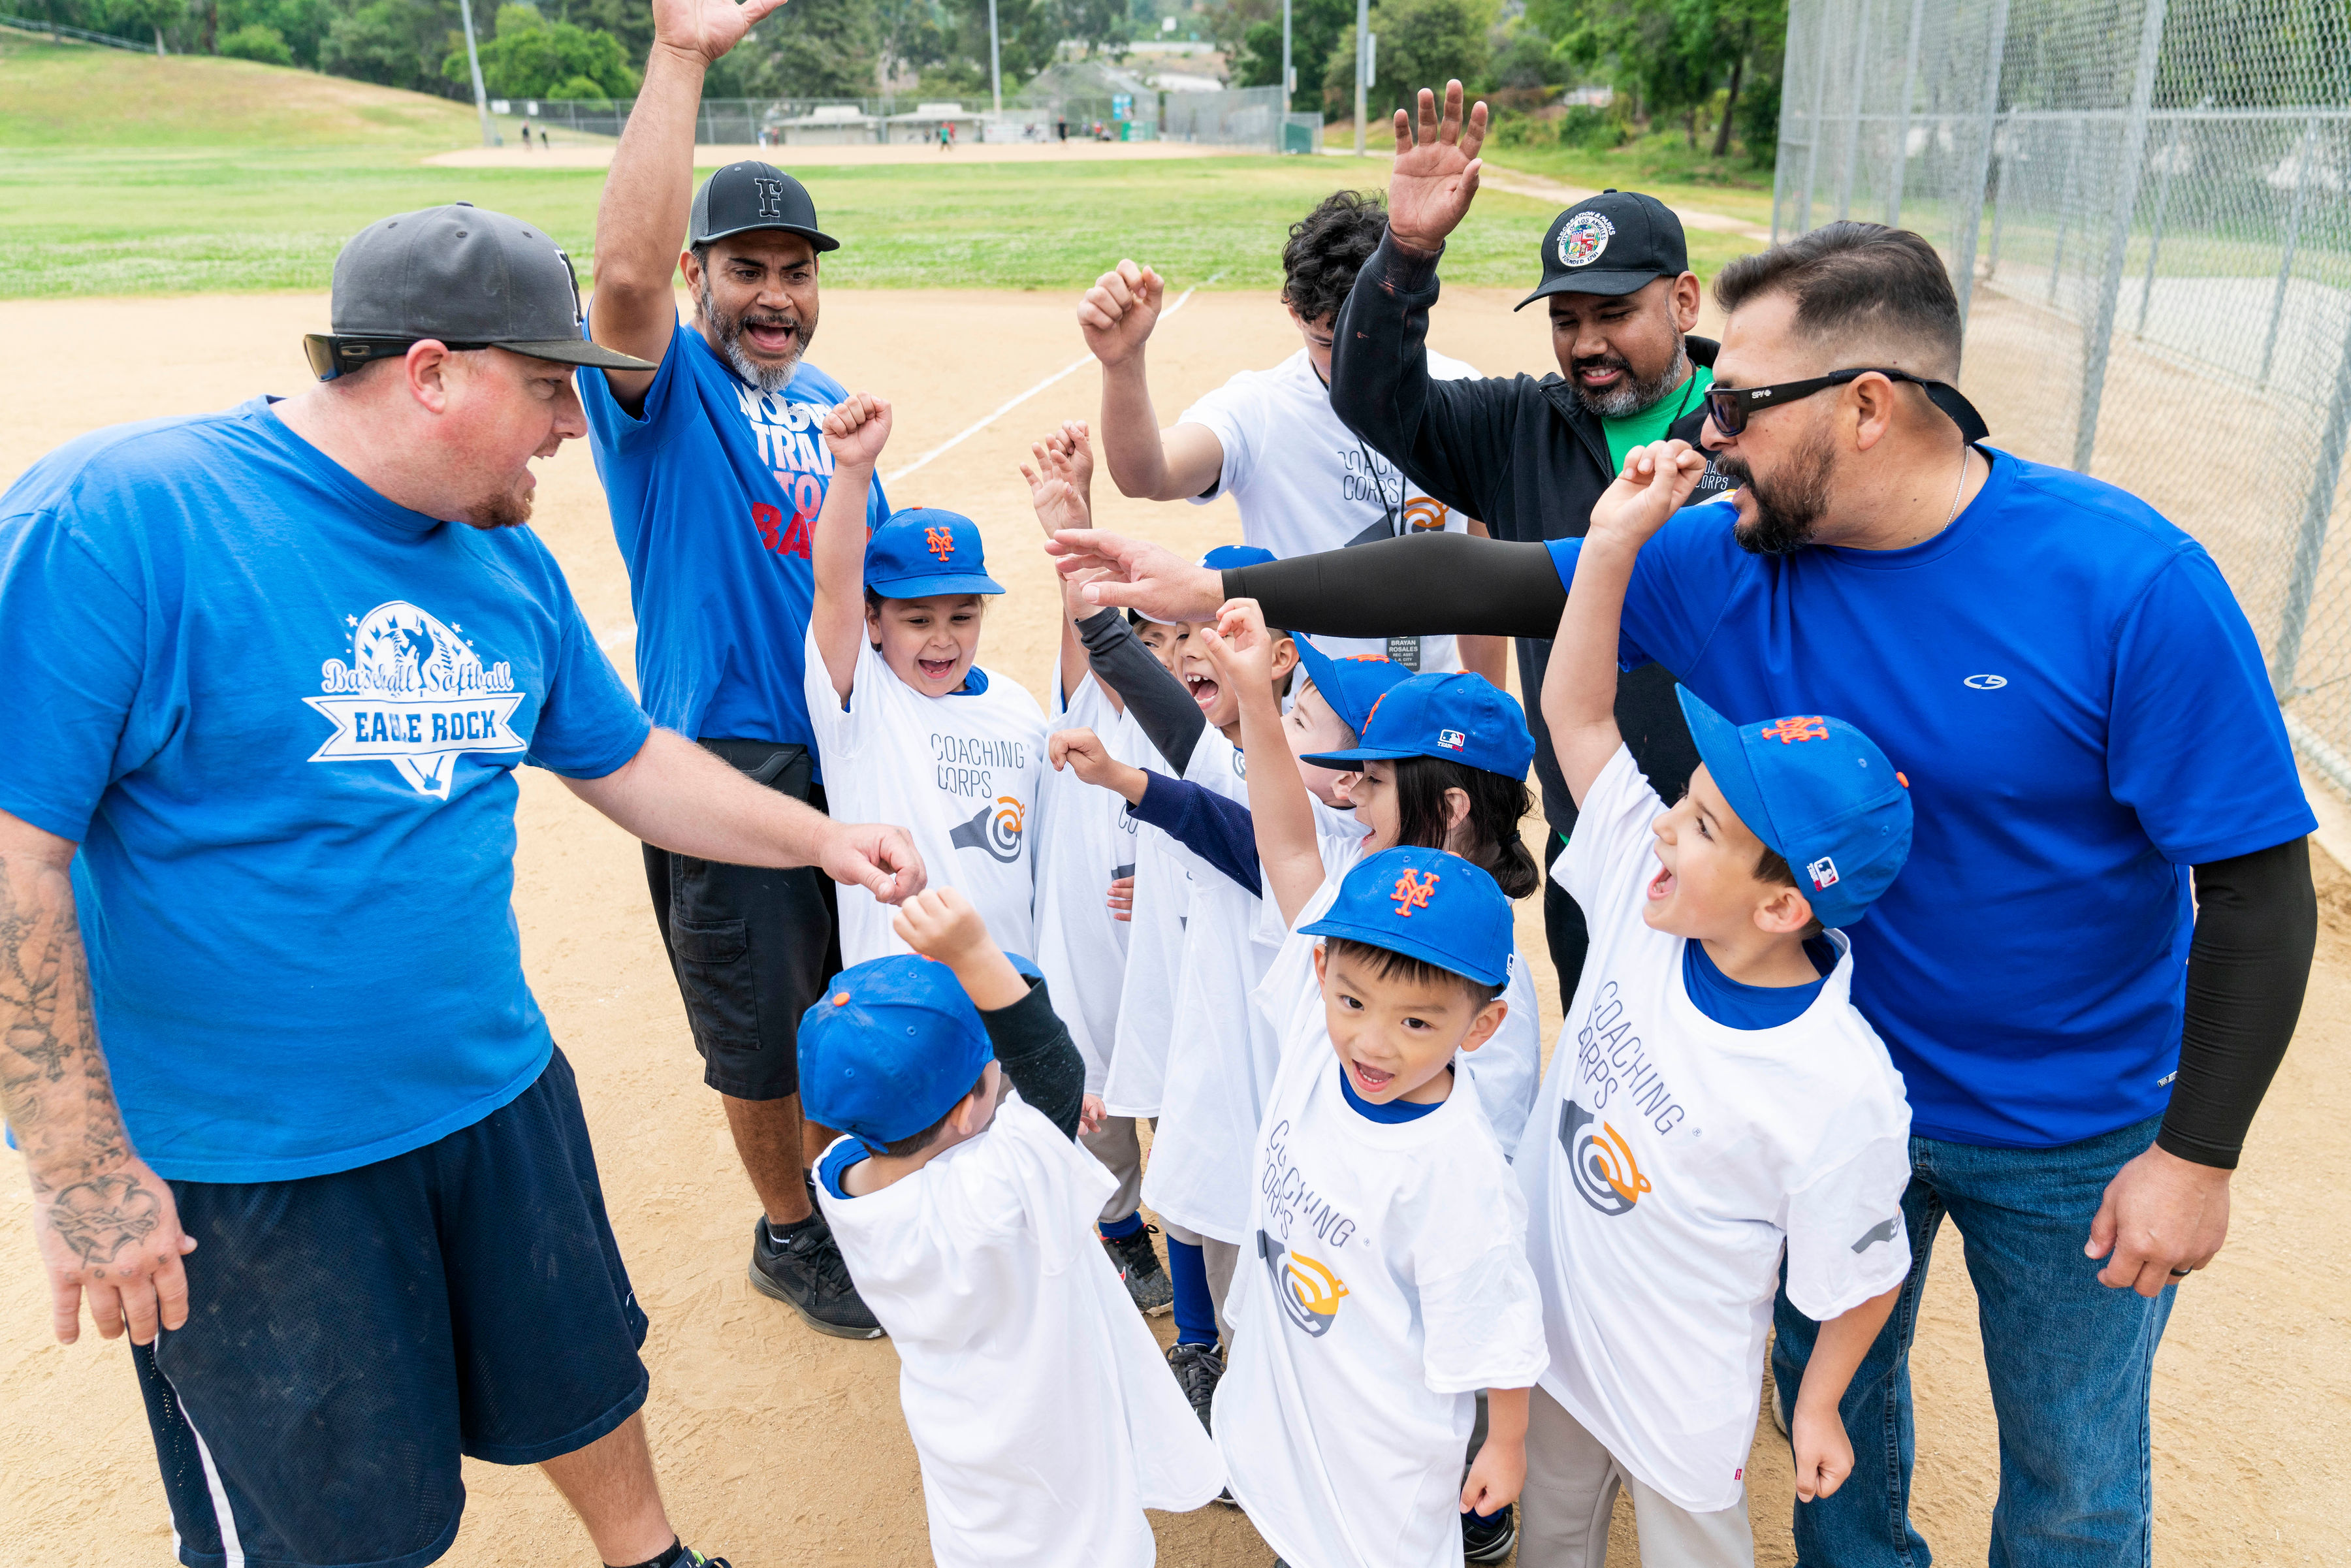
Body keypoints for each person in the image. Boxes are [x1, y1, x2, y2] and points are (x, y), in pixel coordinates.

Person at [1046, 211, 2321, 1566]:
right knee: (1840, 1451)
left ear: (1871, 407)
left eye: (1744, 406)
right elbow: (1499, 575)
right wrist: (1231, 577)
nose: (1711, 435)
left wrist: (2198, 1154)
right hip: (1797, 1101)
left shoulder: (2127, 586)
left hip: (2059, 1128)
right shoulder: (1738, 552)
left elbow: (2254, 884)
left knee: (2071, 1479)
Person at [0, 203, 924, 1568]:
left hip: (492, 1091)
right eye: (549, 388)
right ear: (430, 372)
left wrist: (822, 842)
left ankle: (649, 1557)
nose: (571, 424)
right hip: (255, 1165)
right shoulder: (124, 518)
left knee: (579, 1367)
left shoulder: (504, 562)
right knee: (329, 1519)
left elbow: (624, 760)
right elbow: (17, 851)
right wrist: (79, 1164)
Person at [1522, 436, 1917, 1565]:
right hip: (1551, 1340)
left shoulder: (1837, 1087)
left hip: (1680, 1400)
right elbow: (1579, 716)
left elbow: (1861, 1275)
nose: (1661, 824)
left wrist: (1827, 1398)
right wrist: (1610, 544)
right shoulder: (1652, 909)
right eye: (1686, 800)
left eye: (1702, 827)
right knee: (1555, 1540)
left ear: (1786, 907)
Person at [583, 0, 893, 1339]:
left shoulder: (831, 411)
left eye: (798, 271)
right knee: (760, 1030)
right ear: (707, 276)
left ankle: (854, 1189)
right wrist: (684, 56)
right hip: (727, 757)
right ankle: (791, 1232)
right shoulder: (666, 394)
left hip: (846, 749)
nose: (778, 297)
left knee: (850, 991)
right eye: (750, 269)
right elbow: (626, 285)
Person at [1318, 85, 1731, 1009]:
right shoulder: (1520, 426)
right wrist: (1409, 256)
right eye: (1566, 317)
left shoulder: (1753, 425)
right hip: (1592, 836)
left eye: (1613, 313)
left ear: (1684, 298)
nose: (1586, 343)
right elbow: (1374, 400)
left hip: (1744, 843)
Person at [804, 889, 1225, 1568]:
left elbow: (958, 1125)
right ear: (975, 1107)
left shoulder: (842, 1178)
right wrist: (972, 952)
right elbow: (1055, 1068)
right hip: (1056, 1446)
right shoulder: (998, 1186)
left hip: (966, 1458)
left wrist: (1022, 1116)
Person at [1217, 837, 1548, 1568]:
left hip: (1382, 1451)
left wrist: (1506, 1441)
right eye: (1353, 1002)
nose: (1372, 1042)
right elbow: (1293, 851)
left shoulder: (1455, 1170)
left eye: (1417, 1022)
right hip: (1293, 1405)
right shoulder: (1317, 1034)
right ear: (1320, 975)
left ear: (1482, 1026)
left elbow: (1500, 1321)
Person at [1078, 191, 1502, 679]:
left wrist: (1487, 708)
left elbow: (1481, 585)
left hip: (1431, 719)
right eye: (1326, 342)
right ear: (1293, 313)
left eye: (1371, 339)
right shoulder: (1259, 408)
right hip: (1305, 725)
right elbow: (1147, 475)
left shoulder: (1462, 394)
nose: (1351, 361)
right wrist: (1122, 363)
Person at [807, 391, 1047, 965]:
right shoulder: (863, 701)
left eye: (963, 616)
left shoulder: (1018, 707)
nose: (944, 638)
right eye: (917, 619)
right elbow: (834, 587)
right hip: (903, 999)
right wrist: (853, 470)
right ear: (874, 621)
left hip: (1013, 989)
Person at [1022, 426, 1176, 1315]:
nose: (1155, 662)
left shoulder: (1199, 746)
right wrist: (1072, 517)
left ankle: (1180, 1233)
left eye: (1171, 647)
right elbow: (1085, 614)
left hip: (1162, 990)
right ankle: (1121, 1235)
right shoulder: (1088, 711)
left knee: (1177, 1118)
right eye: (1139, 642)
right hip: (1087, 990)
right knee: (1103, 1134)